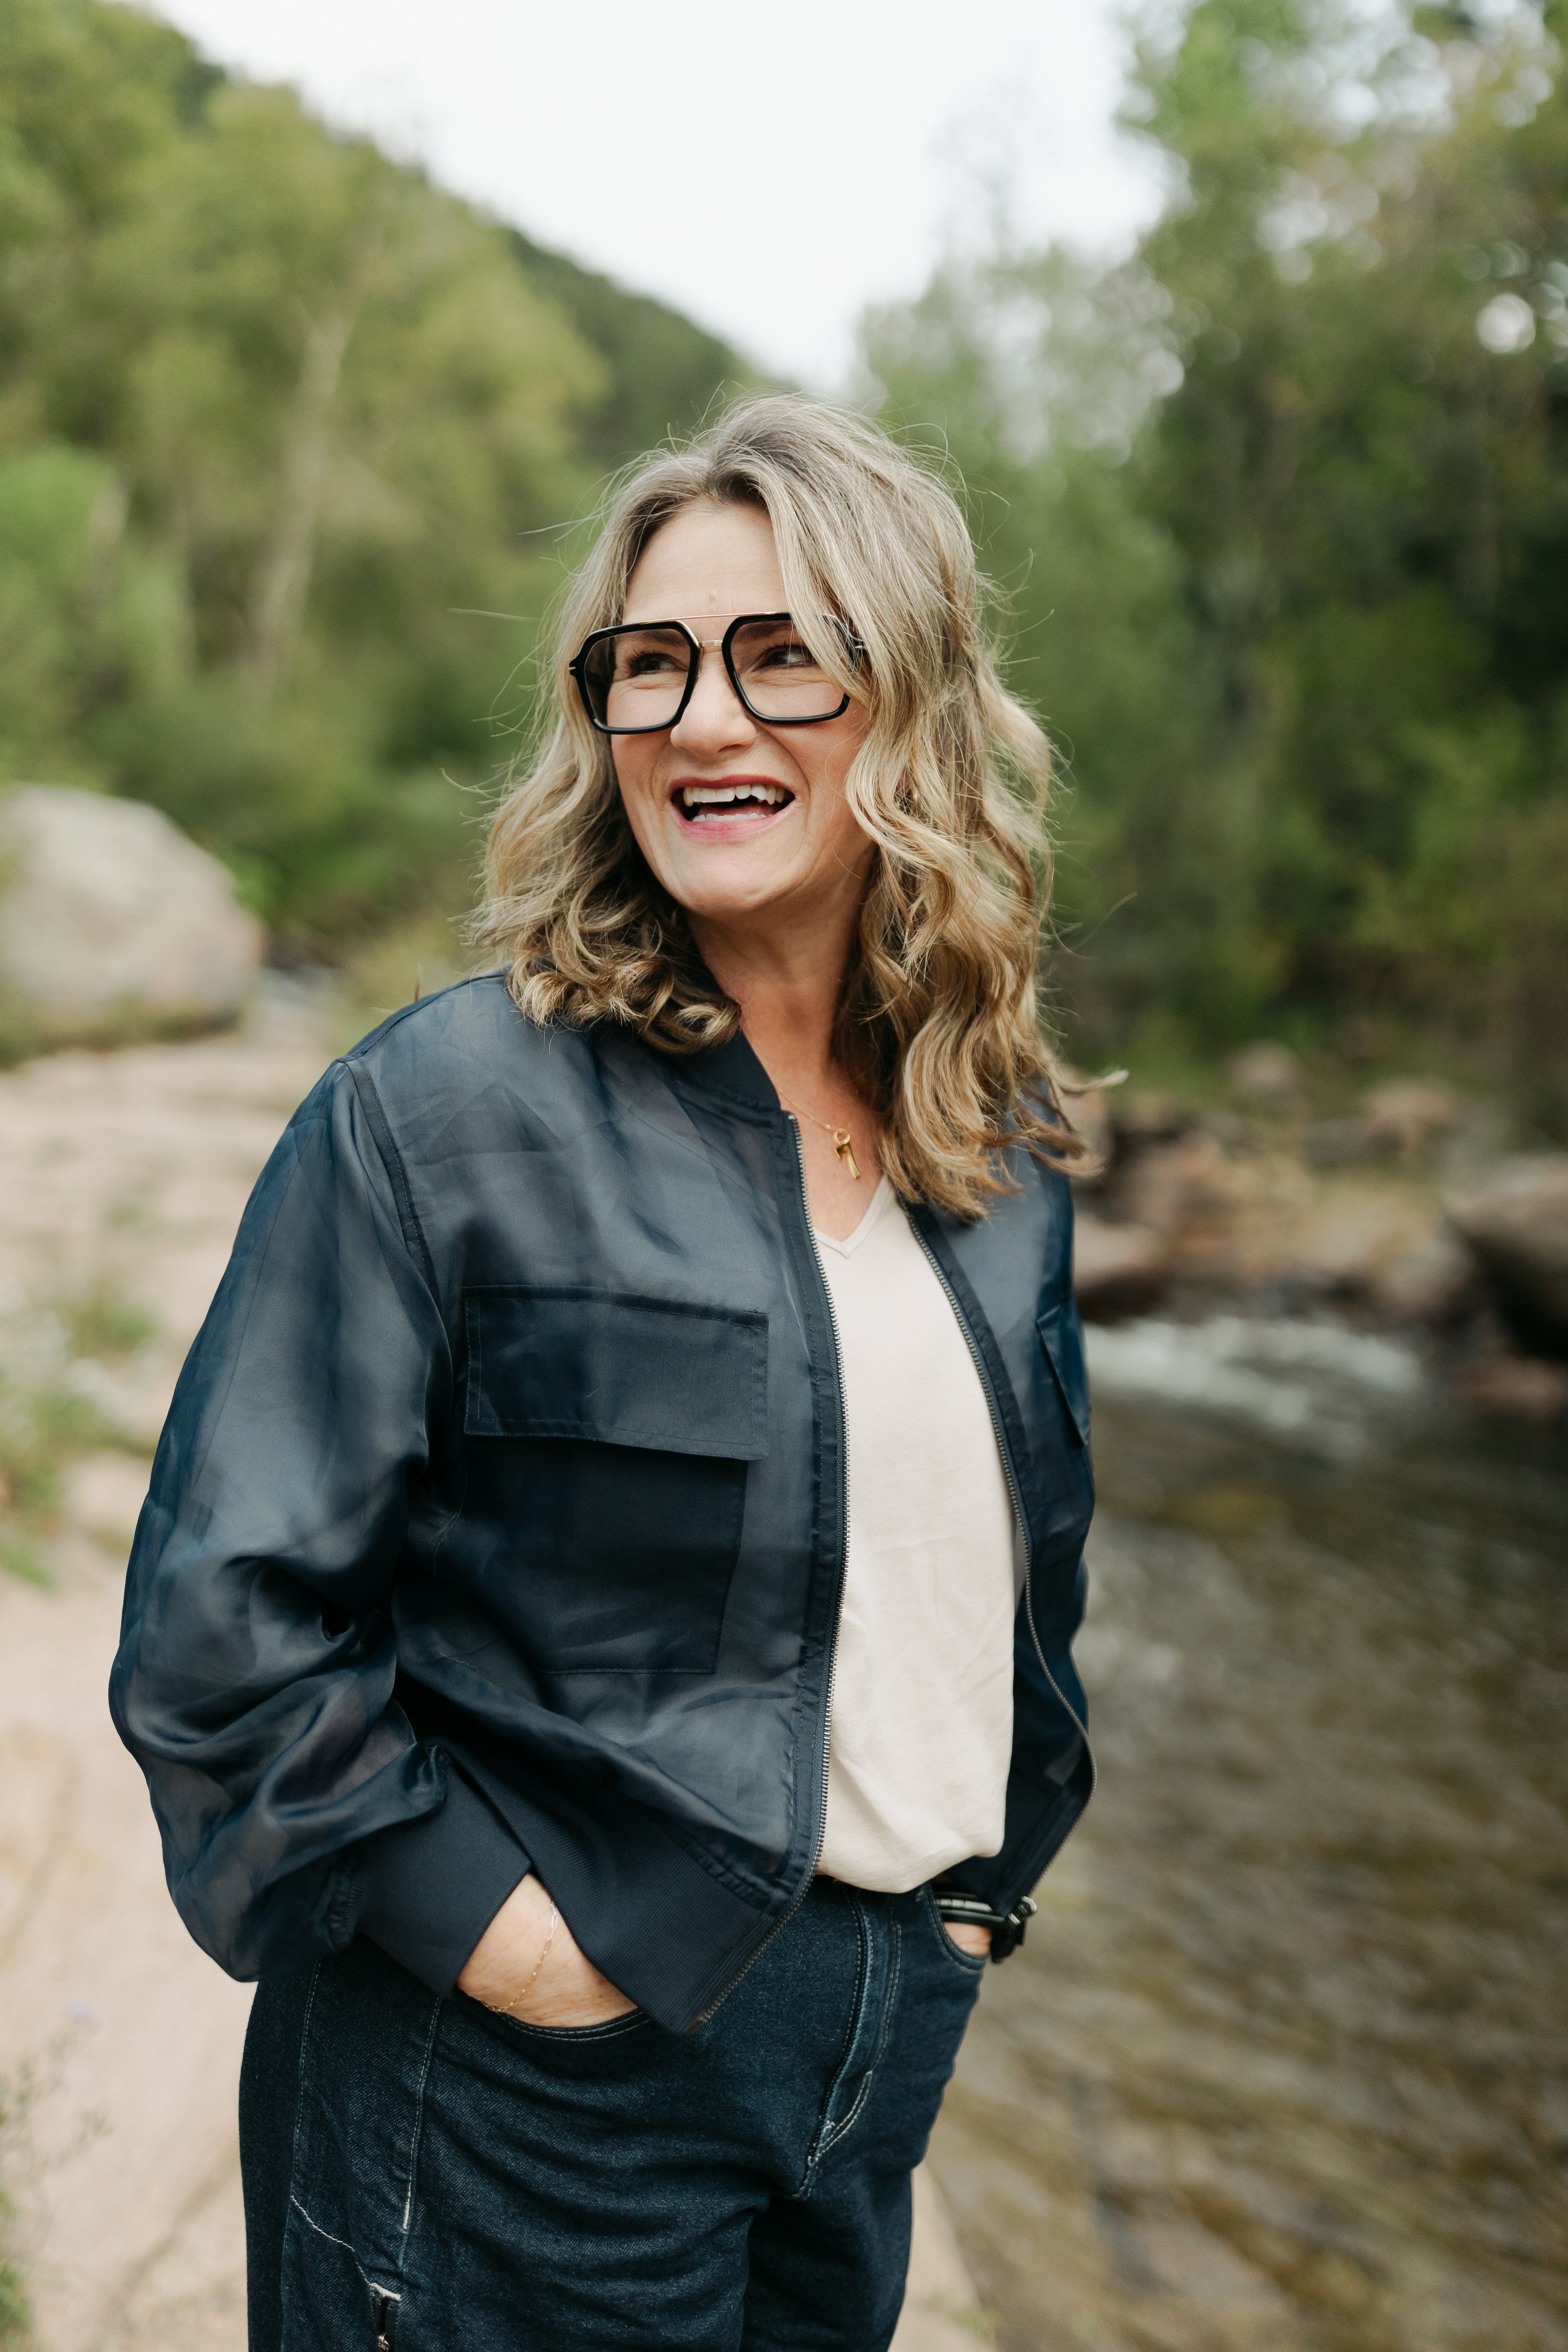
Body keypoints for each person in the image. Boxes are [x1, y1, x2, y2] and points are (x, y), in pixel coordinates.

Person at [111, 394, 1096, 2352]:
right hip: (529, 2083)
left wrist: (971, 1899)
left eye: (779, 655)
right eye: (649, 665)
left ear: (913, 701)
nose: (703, 721)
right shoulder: (443, 1111)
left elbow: (1002, 1590)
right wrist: (508, 1945)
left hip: (869, 2067)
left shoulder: (998, 1148)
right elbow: (224, 1633)